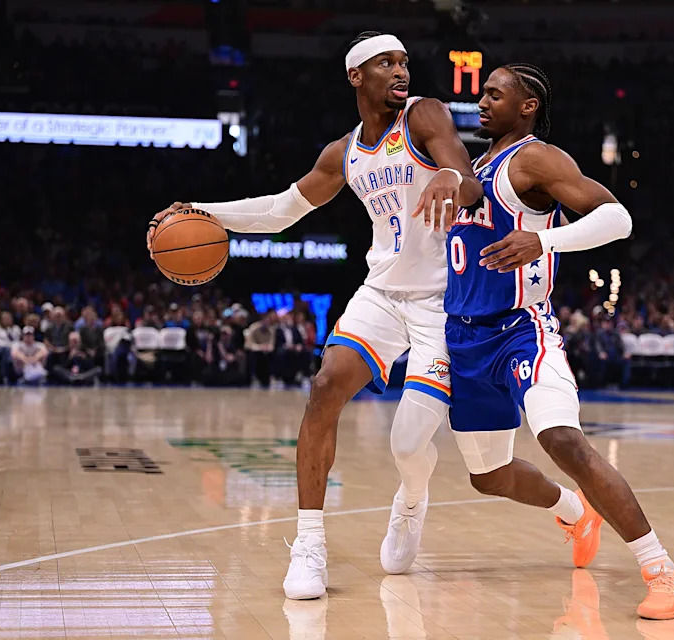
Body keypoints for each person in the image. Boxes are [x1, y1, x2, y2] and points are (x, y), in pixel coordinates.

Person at [146, 31, 483, 600]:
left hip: (439, 303)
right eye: (386, 63)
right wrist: (206, 212)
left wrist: (453, 177)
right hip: (381, 293)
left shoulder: (425, 116)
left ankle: (411, 500)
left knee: (407, 445)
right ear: (356, 76)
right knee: (324, 386)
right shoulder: (343, 153)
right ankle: (309, 546)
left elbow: (468, 180)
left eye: (404, 61)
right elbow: (281, 211)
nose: (401, 71)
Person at [438, 63, 674, 620]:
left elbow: (617, 219)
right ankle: (577, 512)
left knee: (563, 440)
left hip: (522, 330)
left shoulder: (533, 158)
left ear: (527, 106)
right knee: (487, 477)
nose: (482, 102)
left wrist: (543, 240)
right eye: (481, 95)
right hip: (465, 338)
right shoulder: (473, 169)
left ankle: (663, 570)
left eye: (494, 94)